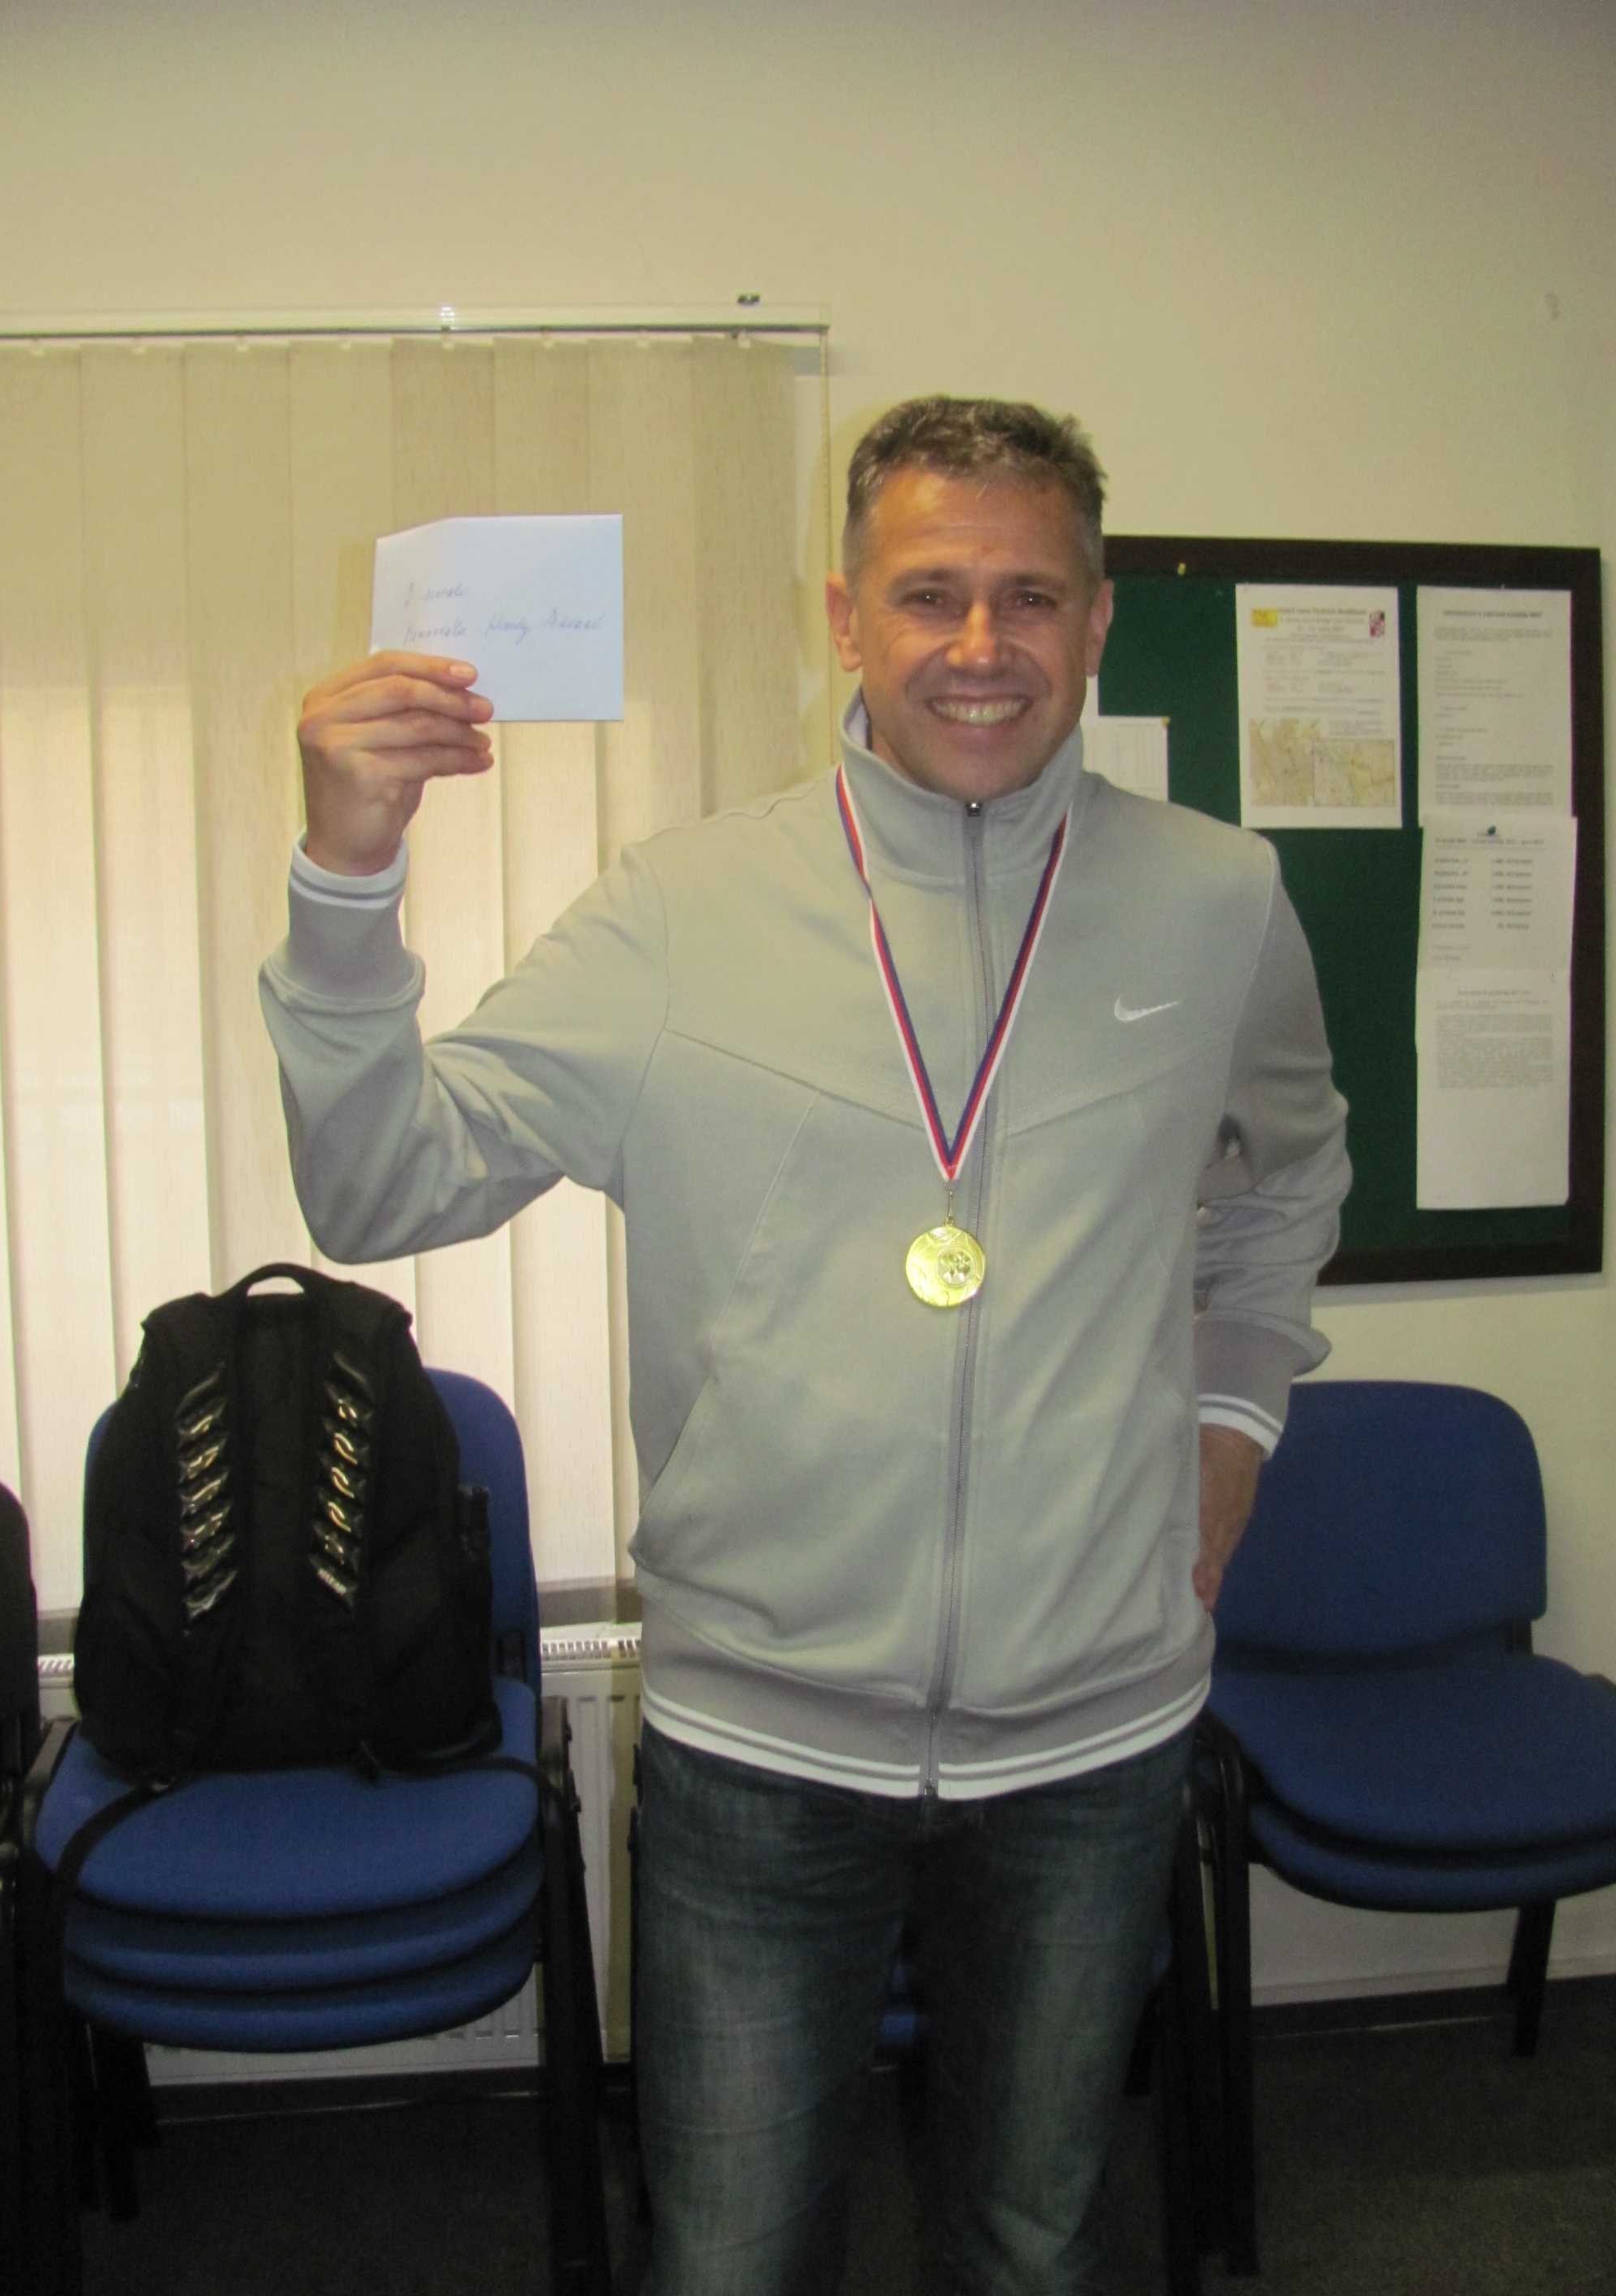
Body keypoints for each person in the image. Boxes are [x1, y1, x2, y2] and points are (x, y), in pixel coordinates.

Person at [261, 395, 1349, 2294]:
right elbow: (380, 1184)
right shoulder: (678, 910)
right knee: (732, 2256)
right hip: (758, 1745)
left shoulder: (1219, 898)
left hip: (1095, 1734)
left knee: (1035, 2237)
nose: (982, 644)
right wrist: (347, 880)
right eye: (929, 593)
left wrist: (1238, 1408)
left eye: (1032, 595)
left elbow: (1289, 1173)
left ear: (1099, 617)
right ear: (843, 615)